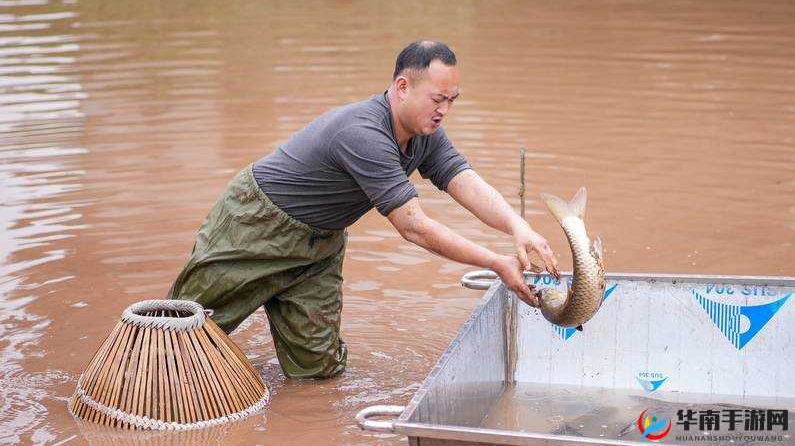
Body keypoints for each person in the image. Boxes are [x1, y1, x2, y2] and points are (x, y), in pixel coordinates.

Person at [168, 40, 560, 379]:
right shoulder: (364, 132)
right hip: (255, 224)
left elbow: (463, 180)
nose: (443, 111)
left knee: (318, 371)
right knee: (180, 337)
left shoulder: (425, 135)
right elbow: (414, 227)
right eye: (437, 99)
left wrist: (517, 226)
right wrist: (496, 262)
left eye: (451, 101)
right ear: (402, 87)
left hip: (319, 244)